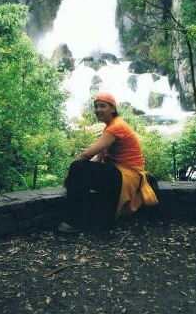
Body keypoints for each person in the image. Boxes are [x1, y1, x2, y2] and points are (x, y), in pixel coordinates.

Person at [58, 92, 158, 234]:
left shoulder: (116, 127)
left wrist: (71, 173)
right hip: (118, 172)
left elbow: (87, 154)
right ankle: (86, 217)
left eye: (102, 106)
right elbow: (98, 158)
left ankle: (76, 221)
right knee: (80, 170)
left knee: (77, 166)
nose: (98, 109)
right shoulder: (110, 127)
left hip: (127, 176)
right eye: (96, 106)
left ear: (112, 108)